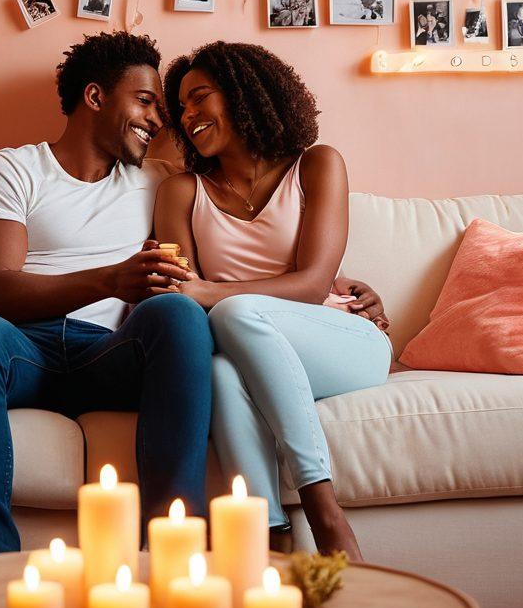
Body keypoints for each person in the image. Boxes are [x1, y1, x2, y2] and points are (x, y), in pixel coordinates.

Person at [0, 32, 215, 558]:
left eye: (161, 111)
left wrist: (332, 284)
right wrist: (109, 280)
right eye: (146, 101)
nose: (158, 122)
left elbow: (250, 225)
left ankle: (175, 561)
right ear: (95, 97)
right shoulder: (9, 170)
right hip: (23, 351)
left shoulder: (162, 180)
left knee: (178, 315)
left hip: (112, 353)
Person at [154, 42, 391, 561]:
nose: (189, 115)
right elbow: (182, 301)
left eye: (200, 97)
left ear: (243, 93)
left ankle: (325, 510)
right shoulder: (181, 192)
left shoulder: (317, 165)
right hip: (245, 346)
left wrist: (211, 292)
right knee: (218, 371)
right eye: (182, 110)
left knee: (235, 311)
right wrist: (203, 297)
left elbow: (311, 284)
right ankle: (270, 540)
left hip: (340, 338)